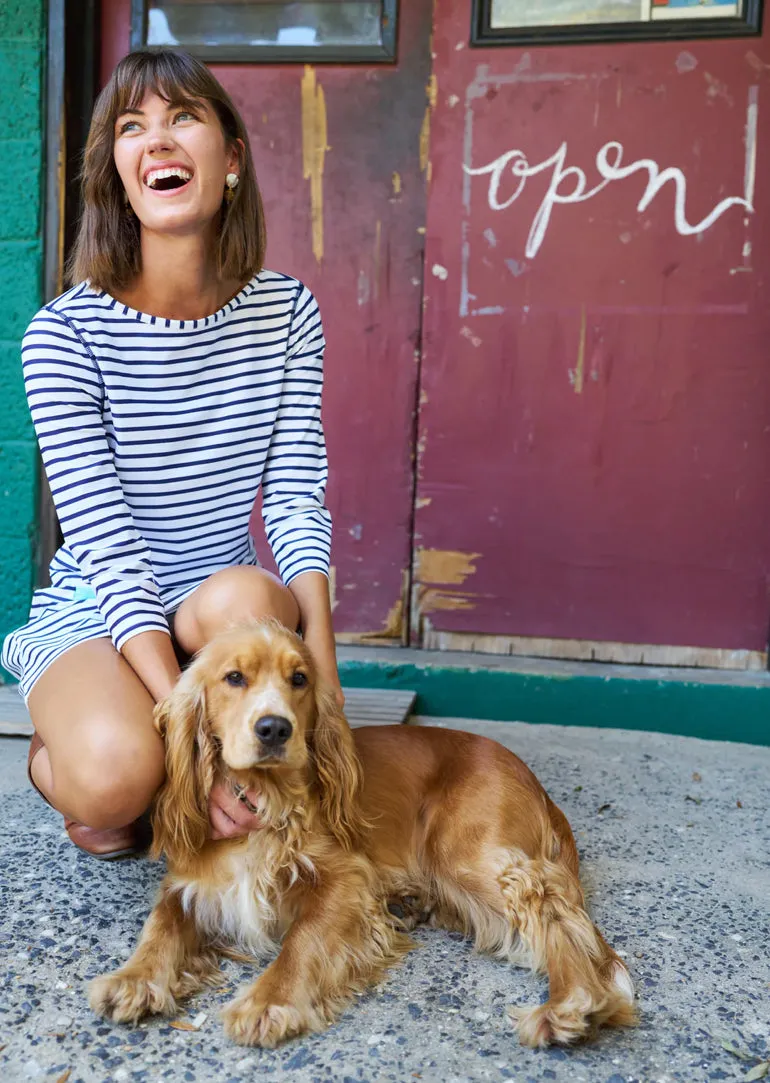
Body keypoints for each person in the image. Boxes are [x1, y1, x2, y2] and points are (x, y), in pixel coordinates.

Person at [1, 48, 342, 859]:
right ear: (116, 172)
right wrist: (190, 740)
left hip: (220, 603)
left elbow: (295, 498)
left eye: (182, 116)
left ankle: (165, 764)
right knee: (116, 782)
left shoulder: (287, 311)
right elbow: (111, 554)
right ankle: (73, 760)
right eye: (131, 126)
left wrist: (324, 680)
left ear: (231, 158)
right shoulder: (64, 335)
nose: (157, 140)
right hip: (99, 612)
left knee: (243, 596)